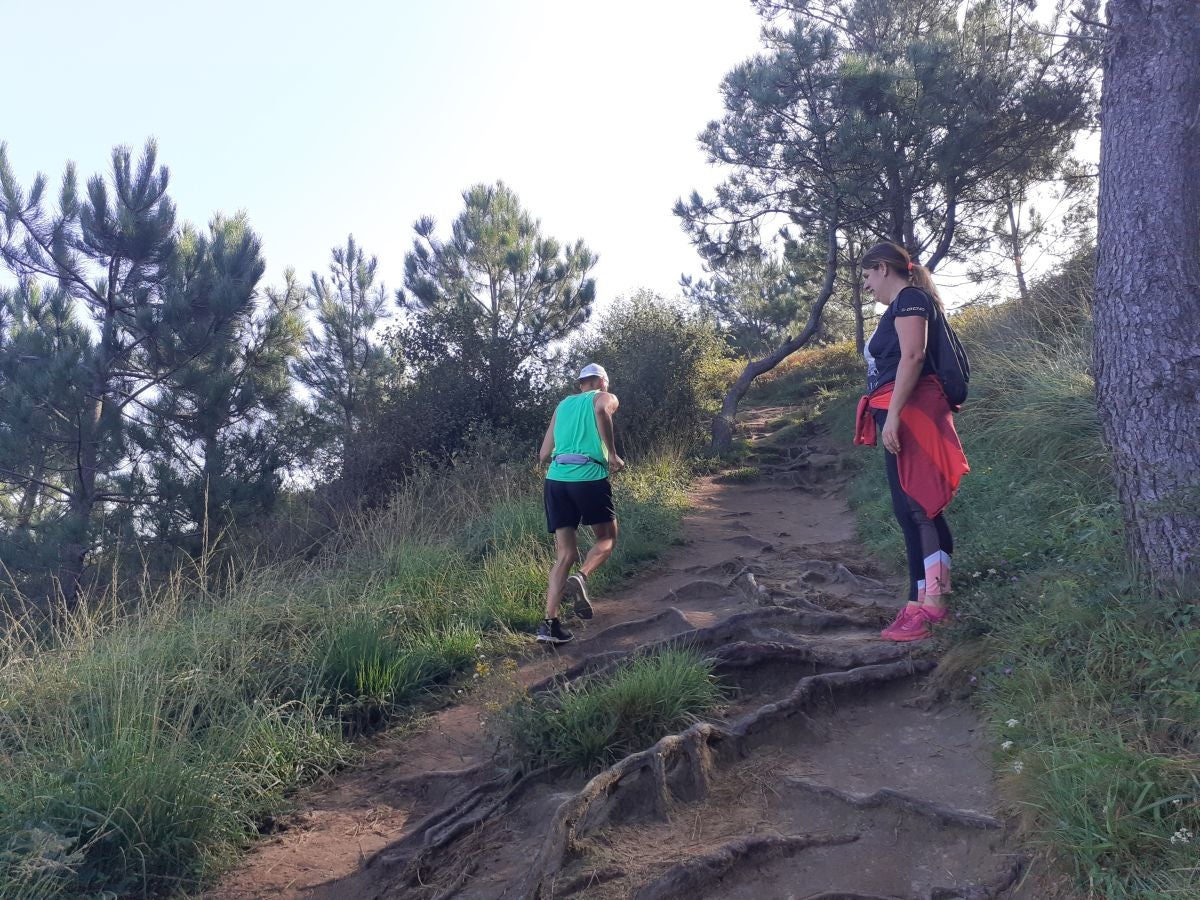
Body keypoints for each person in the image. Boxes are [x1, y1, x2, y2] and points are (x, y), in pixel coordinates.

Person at [854, 242, 969, 642]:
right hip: (899, 412)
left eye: (867, 276)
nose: (866, 286)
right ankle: (919, 600)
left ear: (884, 269)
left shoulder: (910, 299)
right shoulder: (902, 304)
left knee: (922, 508)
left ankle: (934, 607)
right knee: (910, 511)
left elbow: (913, 357)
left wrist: (896, 416)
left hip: (912, 415)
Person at [535, 363, 625, 644]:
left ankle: (549, 625)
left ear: (581, 383)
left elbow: (543, 453)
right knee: (607, 537)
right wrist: (612, 454)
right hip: (588, 477)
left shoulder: (562, 405)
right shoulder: (604, 397)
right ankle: (582, 577)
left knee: (564, 555)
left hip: (556, 480)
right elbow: (601, 411)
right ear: (601, 381)